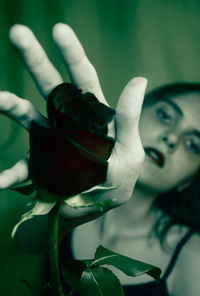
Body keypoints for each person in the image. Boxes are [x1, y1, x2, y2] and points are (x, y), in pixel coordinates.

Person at [0, 23, 200, 296]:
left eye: (193, 144)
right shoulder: (70, 200)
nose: (171, 138)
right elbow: (28, 240)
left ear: (188, 181)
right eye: (166, 116)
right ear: (133, 113)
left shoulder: (193, 254)